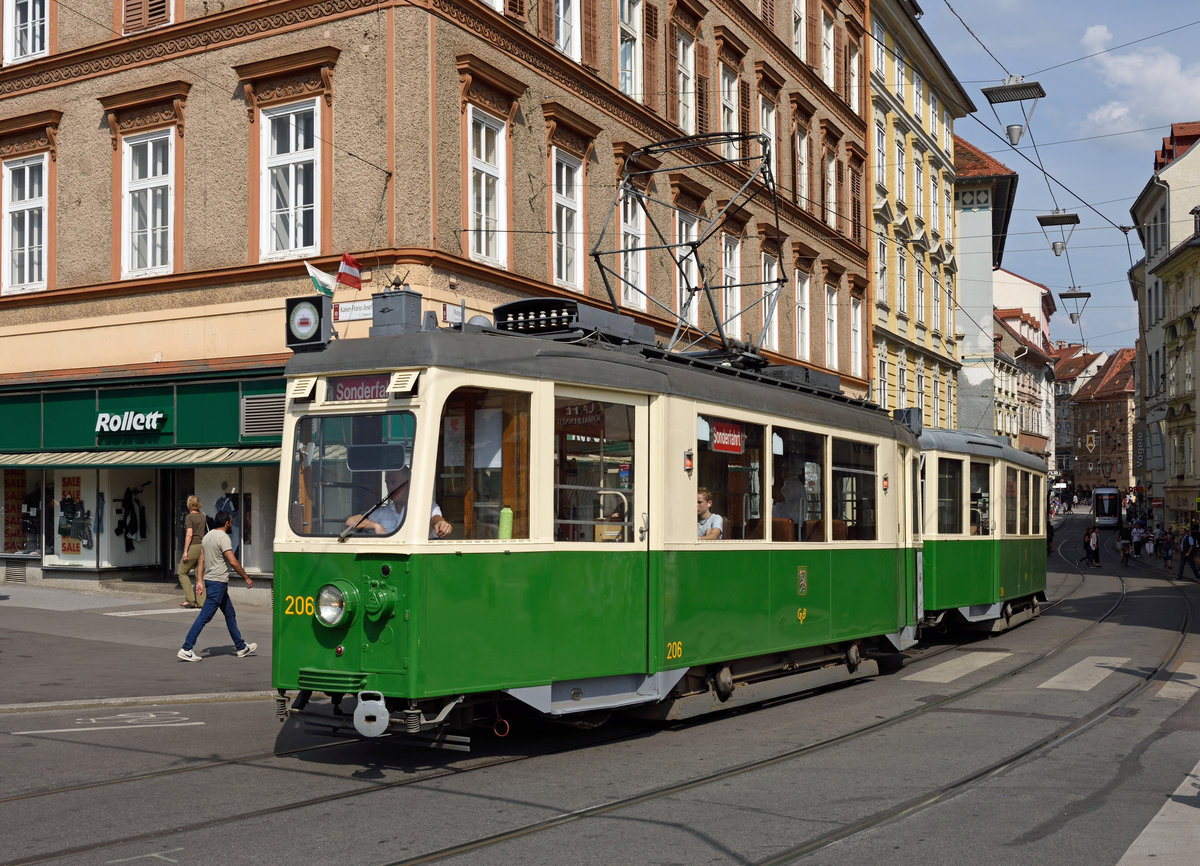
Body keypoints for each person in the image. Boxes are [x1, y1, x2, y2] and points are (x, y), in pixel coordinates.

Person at [177, 510, 256, 662]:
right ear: (227, 523)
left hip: (212, 582)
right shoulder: (223, 537)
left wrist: (200, 580)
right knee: (204, 616)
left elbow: (202, 560)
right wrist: (246, 577)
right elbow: (232, 561)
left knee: (229, 614)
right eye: (231, 521)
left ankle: (240, 647)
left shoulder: (207, 536)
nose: (231, 524)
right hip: (218, 583)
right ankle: (186, 648)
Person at [345, 467, 452, 538]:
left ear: (408, 484)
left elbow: (436, 518)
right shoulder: (383, 511)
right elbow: (351, 521)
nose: (390, 487)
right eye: (387, 483)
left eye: (394, 482)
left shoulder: (423, 506)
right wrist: (376, 526)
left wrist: (441, 523)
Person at [175, 495, 207, 608]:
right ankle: (201, 602)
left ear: (189, 504)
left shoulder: (189, 517)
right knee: (200, 574)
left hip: (193, 546)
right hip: (203, 547)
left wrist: (185, 551)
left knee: (182, 572)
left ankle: (190, 599)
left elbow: (189, 534)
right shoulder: (203, 516)